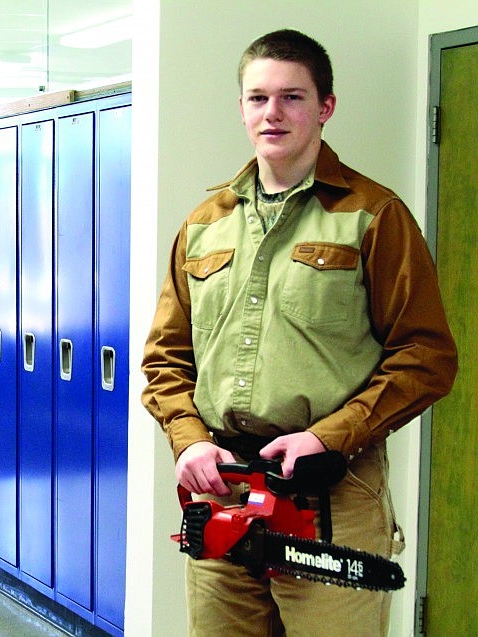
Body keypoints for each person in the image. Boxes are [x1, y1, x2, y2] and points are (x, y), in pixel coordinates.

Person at [141, 29, 457, 637]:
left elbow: (426, 356)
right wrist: (188, 441)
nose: (273, 113)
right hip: (223, 488)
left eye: (292, 97)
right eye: (257, 98)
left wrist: (328, 436)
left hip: (332, 493)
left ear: (325, 107)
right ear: (241, 108)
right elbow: (166, 355)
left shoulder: (373, 215)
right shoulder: (205, 225)